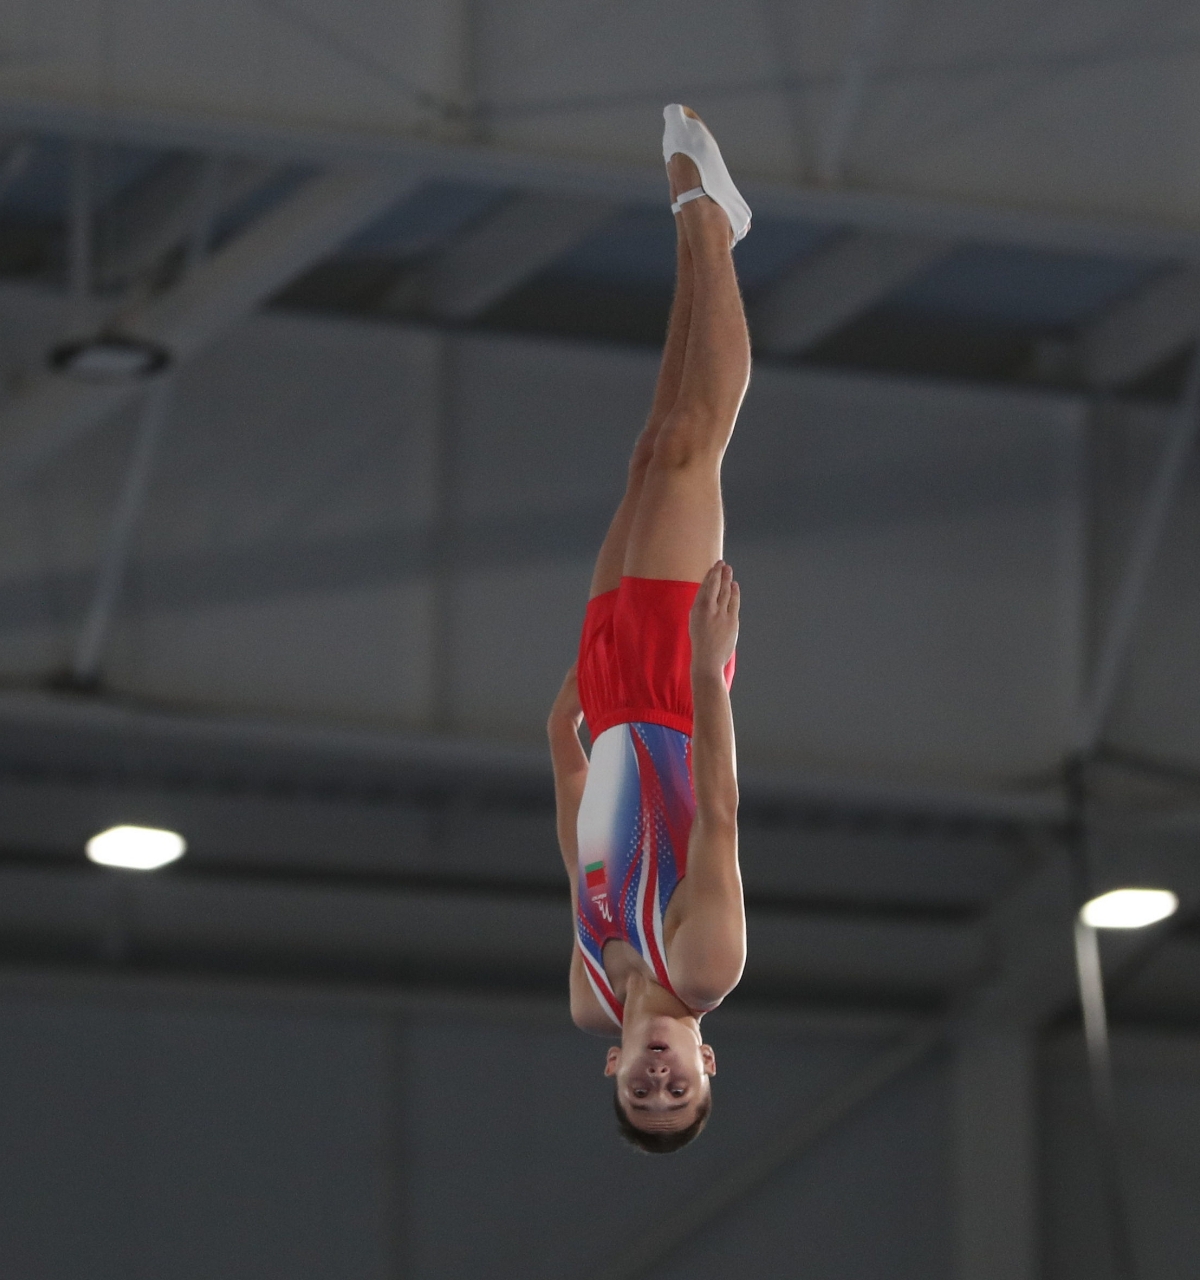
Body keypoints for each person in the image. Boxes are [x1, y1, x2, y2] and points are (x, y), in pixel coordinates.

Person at [547, 105, 751, 1154]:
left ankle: (697, 228)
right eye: (681, 1092)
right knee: (687, 452)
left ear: (613, 1069)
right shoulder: (705, 967)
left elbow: (582, 856)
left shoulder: (592, 996)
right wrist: (707, 670)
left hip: (611, 693)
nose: (660, 1079)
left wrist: (562, 740)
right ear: (708, 1063)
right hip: (674, 694)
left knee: (648, 452)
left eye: (643, 1094)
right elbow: (716, 809)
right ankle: (709, 220)